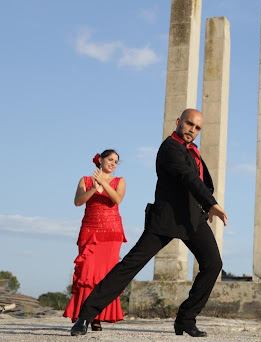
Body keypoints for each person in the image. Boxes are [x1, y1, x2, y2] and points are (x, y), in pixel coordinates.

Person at [70, 109, 228, 337]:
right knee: (129, 266)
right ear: (178, 122)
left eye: (197, 127)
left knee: (213, 264)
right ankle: (85, 316)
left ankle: (186, 319)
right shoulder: (170, 148)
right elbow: (187, 177)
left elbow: (201, 180)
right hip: (166, 219)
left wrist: (205, 206)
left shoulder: (192, 150)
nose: (192, 130)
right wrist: (211, 203)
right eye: (189, 124)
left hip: (193, 220)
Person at [63, 149, 127, 331]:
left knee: (105, 276)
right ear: (100, 160)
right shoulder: (85, 180)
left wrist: (103, 184)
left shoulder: (119, 181)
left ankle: (97, 317)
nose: (113, 163)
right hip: (90, 231)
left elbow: (117, 199)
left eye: (116, 161)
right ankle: (83, 316)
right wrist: (93, 188)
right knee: (86, 275)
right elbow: (77, 202)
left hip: (111, 233)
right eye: (110, 159)